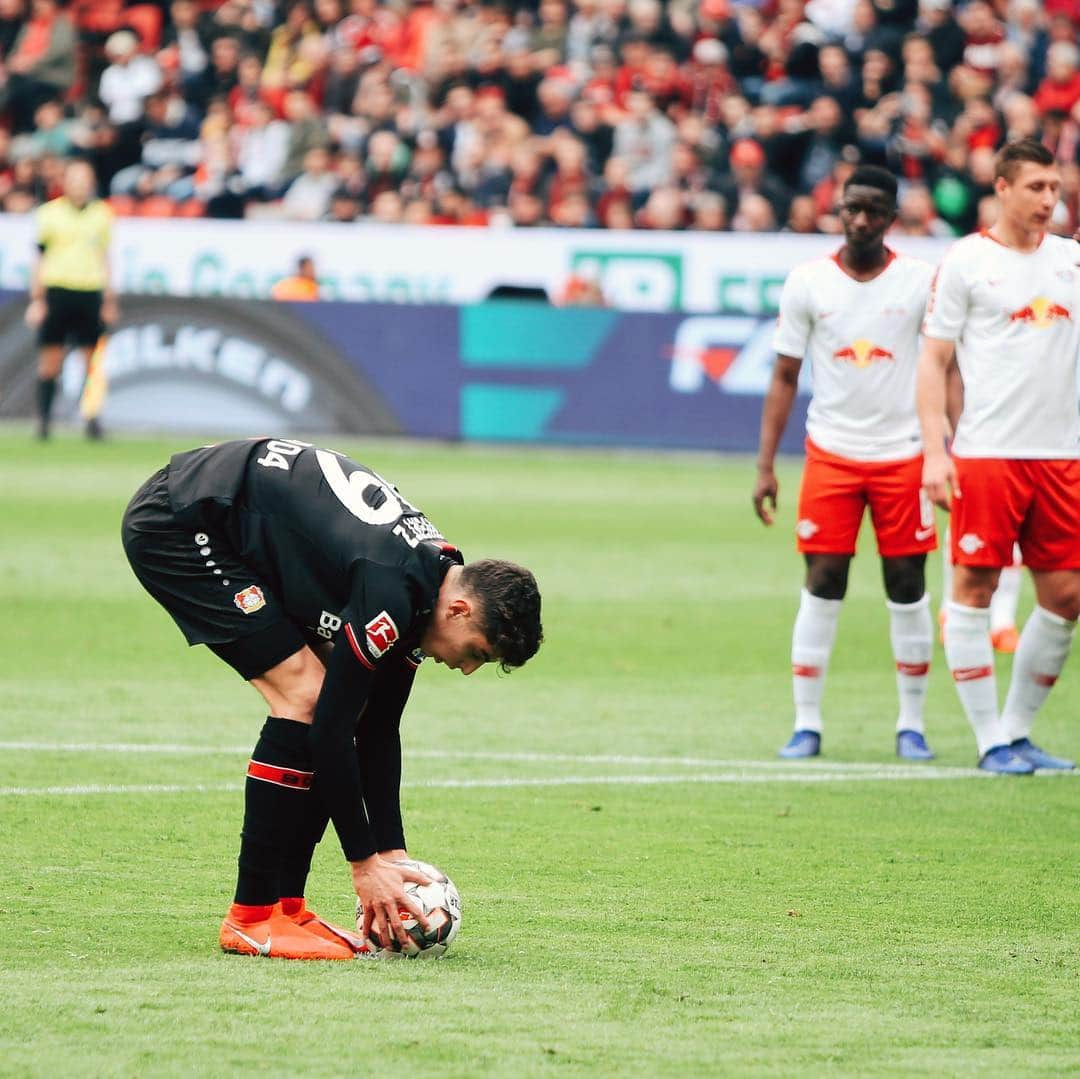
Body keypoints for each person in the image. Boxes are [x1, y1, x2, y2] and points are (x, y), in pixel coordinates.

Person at [122, 436, 543, 959]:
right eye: (477, 652)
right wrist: (363, 864)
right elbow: (329, 729)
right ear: (458, 610)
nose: (467, 669)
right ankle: (251, 917)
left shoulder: (428, 588)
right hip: (181, 523)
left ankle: (288, 909)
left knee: (342, 699)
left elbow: (378, 727)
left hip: (237, 523)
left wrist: (391, 853)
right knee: (307, 694)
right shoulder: (392, 590)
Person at [753, 164, 938, 761]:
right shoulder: (808, 282)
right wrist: (765, 465)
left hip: (903, 454)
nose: (861, 220)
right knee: (823, 581)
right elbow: (784, 375)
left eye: (874, 210)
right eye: (852, 208)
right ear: (839, 210)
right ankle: (806, 723)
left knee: (907, 584)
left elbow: (943, 368)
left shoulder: (918, 281)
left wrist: (943, 449)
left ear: (892, 216)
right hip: (831, 453)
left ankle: (912, 724)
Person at [917, 137, 1079, 775]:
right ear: (1002, 187)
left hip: (1062, 457)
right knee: (975, 587)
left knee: (1065, 596)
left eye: (1056, 189)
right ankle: (988, 740)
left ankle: (1017, 732)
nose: (1049, 200)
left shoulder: (1070, 261)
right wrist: (936, 451)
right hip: (989, 453)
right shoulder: (966, 262)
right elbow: (934, 360)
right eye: (1036, 187)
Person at [25, 159, 116, 440]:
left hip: (89, 292)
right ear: (65, 183)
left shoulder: (102, 214)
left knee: (92, 362)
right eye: (75, 179)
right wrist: (37, 299)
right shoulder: (49, 214)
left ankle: (91, 418)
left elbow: (105, 258)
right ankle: (44, 419)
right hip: (57, 292)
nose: (80, 185)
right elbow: (39, 259)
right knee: (51, 361)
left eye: (84, 180)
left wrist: (109, 300)